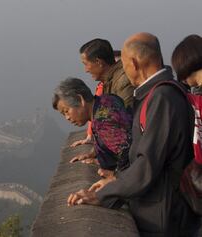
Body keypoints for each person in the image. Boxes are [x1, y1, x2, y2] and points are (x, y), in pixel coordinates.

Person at [67, 32, 200, 236]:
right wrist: (117, 180)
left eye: (124, 64)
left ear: (134, 63)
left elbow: (147, 164)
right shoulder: (155, 94)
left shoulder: (163, 97)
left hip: (165, 216)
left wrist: (104, 194)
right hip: (161, 209)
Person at [70, 39, 134, 164]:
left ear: (99, 62)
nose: (86, 70)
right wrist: (95, 154)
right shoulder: (109, 81)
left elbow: (124, 125)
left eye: (86, 64)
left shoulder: (122, 81)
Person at [53, 78, 132, 177]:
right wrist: (96, 153)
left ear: (80, 100)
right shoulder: (107, 99)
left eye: (66, 111)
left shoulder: (102, 121)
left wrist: (115, 176)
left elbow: (128, 154)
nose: (67, 118)